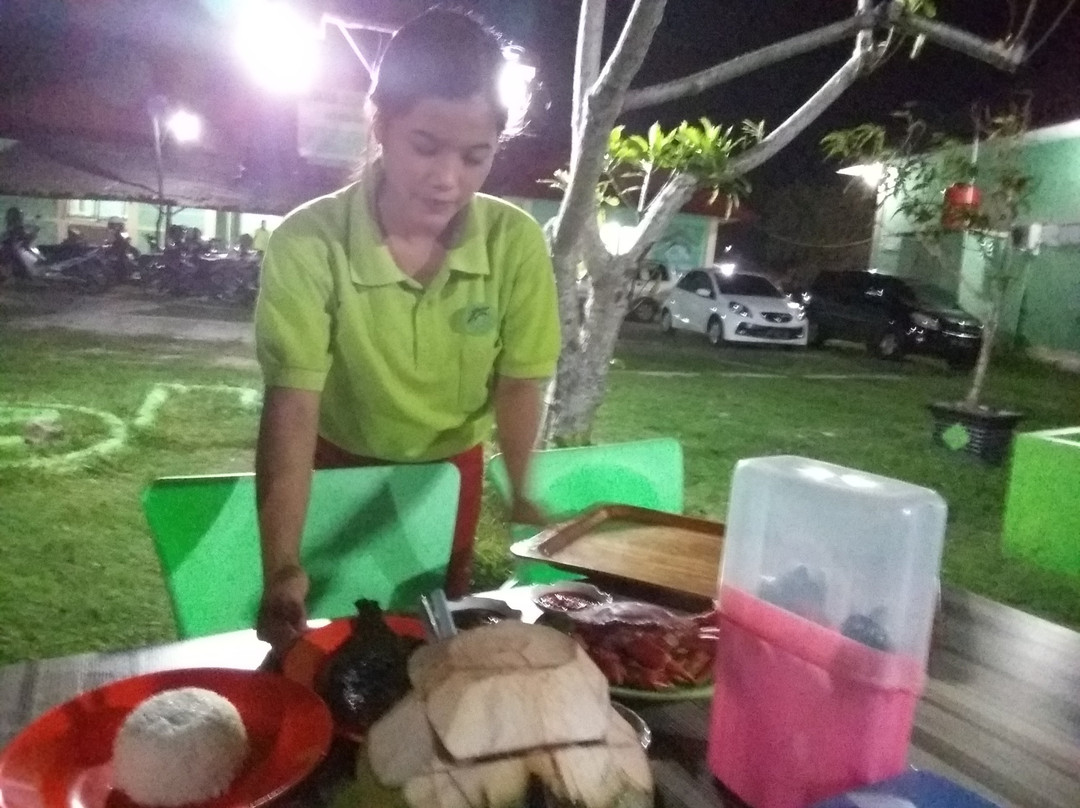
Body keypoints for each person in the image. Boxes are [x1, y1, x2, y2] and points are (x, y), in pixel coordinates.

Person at [253, 8, 560, 651]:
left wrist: (523, 486)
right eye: (426, 146)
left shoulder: (515, 243)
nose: (448, 179)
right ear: (381, 124)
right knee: (324, 638)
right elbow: (293, 406)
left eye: (475, 157)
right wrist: (281, 564)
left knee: (433, 640)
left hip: (450, 474)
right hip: (335, 466)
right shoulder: (308, 242)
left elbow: (520, 382)